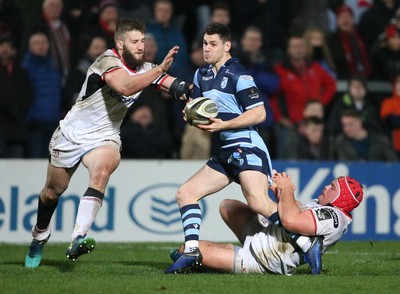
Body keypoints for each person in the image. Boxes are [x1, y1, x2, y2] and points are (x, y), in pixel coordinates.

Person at [24, 18, 191, 268]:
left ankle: (78, 237)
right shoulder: (106, 61)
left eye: (143, 41)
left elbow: (177, 87)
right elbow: (124, 87)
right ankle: (40, 235)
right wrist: (158, 71)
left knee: (102, 170)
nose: (140, 46)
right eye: (134, 41)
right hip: (71, 134)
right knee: (51, 193)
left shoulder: (148, 68)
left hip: (105, 136)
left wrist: (195, 98)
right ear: (120, 44)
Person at [165, 23, 322, 275]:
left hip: (247, 145)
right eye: (204, 43)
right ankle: (192, 251)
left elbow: (259, 113)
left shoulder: (238, 74)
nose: (207, 49)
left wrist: (224, 124)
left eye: (213, 44)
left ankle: (307, 241)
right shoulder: (201, 74)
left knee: (259, 202)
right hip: (227, 148)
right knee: (186, 193)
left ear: (227, 46)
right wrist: (191, 114)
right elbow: (201, 106)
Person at [167, 172, 364, 275]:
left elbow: (290, 220)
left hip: (264, 260)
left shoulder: (334, 217)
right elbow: (295, 211)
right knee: (228, 206)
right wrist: (282, 194)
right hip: (267, 237)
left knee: (188, 250)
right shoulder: (327, 209)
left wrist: (287, 189)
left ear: (341, 197)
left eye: (333, 187)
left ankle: (210, 263)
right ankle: (212, 260)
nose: (326, 186)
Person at [0, 33, 32, 158]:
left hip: (17, 127)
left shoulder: (21, 71)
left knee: (15, 164)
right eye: (2, 45)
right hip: (2, 123)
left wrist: (19, 110)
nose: (5, 49)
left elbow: (28, 94)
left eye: (8, 45)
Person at [331, 108, 398, 161]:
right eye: (344, 125)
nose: (347, 128)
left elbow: (393, 162)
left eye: (350, 124)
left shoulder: (380, 140)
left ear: (360, 122)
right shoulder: (341, 142)